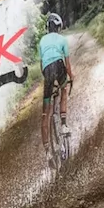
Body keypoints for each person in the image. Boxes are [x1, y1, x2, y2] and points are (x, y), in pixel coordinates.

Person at [38, 13, 74, 159]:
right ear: (59, 27)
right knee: (64, 90)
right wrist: (71, 76)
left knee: (45, 113)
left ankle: (47, 151)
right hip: (59, 67)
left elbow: (42, 65)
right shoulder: (62, 39)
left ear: (47, 27)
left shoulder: (41, 41)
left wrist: (49, 81)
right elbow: (67, 64)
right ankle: (64, 124)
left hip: (47, 72)